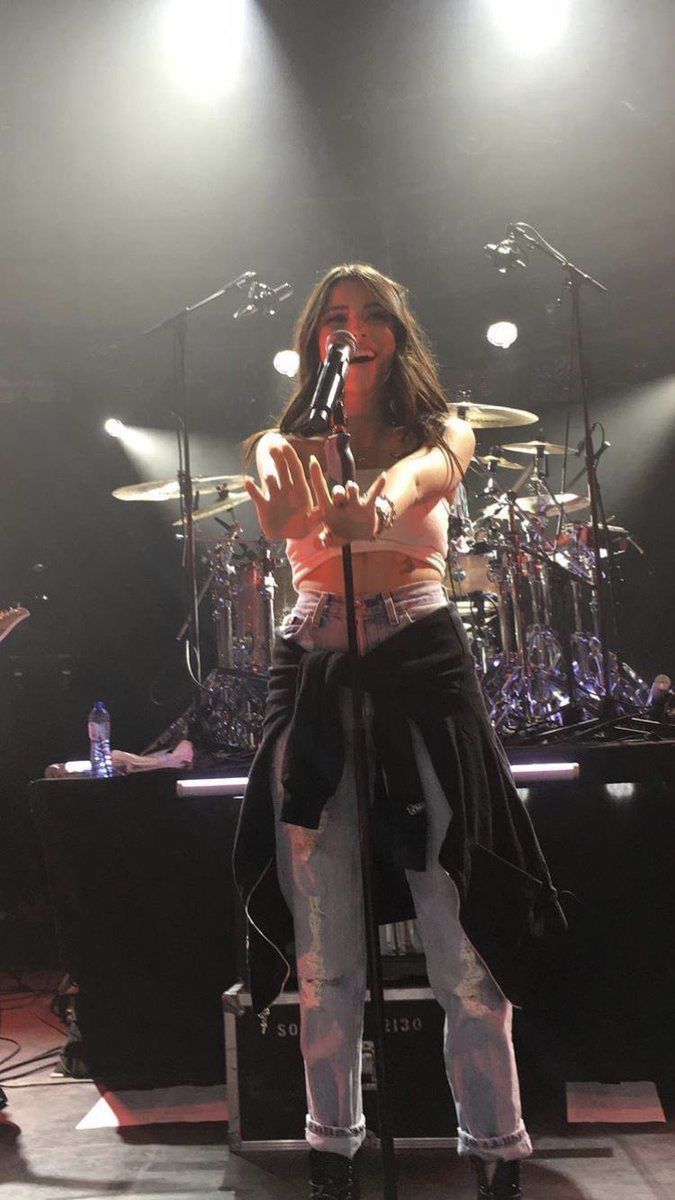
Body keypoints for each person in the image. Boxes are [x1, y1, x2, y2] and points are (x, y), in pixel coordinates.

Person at [234, 264, 566, 1200]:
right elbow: (277, 503)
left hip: (418, 650)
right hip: (315, 661)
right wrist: (291, 492)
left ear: (396, 333)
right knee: (324, 944)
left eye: (371, 316)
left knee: (456, 925)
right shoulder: (281, 437)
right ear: (314, 341)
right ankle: (330, 1144)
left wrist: (370, 511)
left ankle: (494, 1143)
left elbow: (423, 479)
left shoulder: (443, 428)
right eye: (334, 319)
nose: (353, 331)